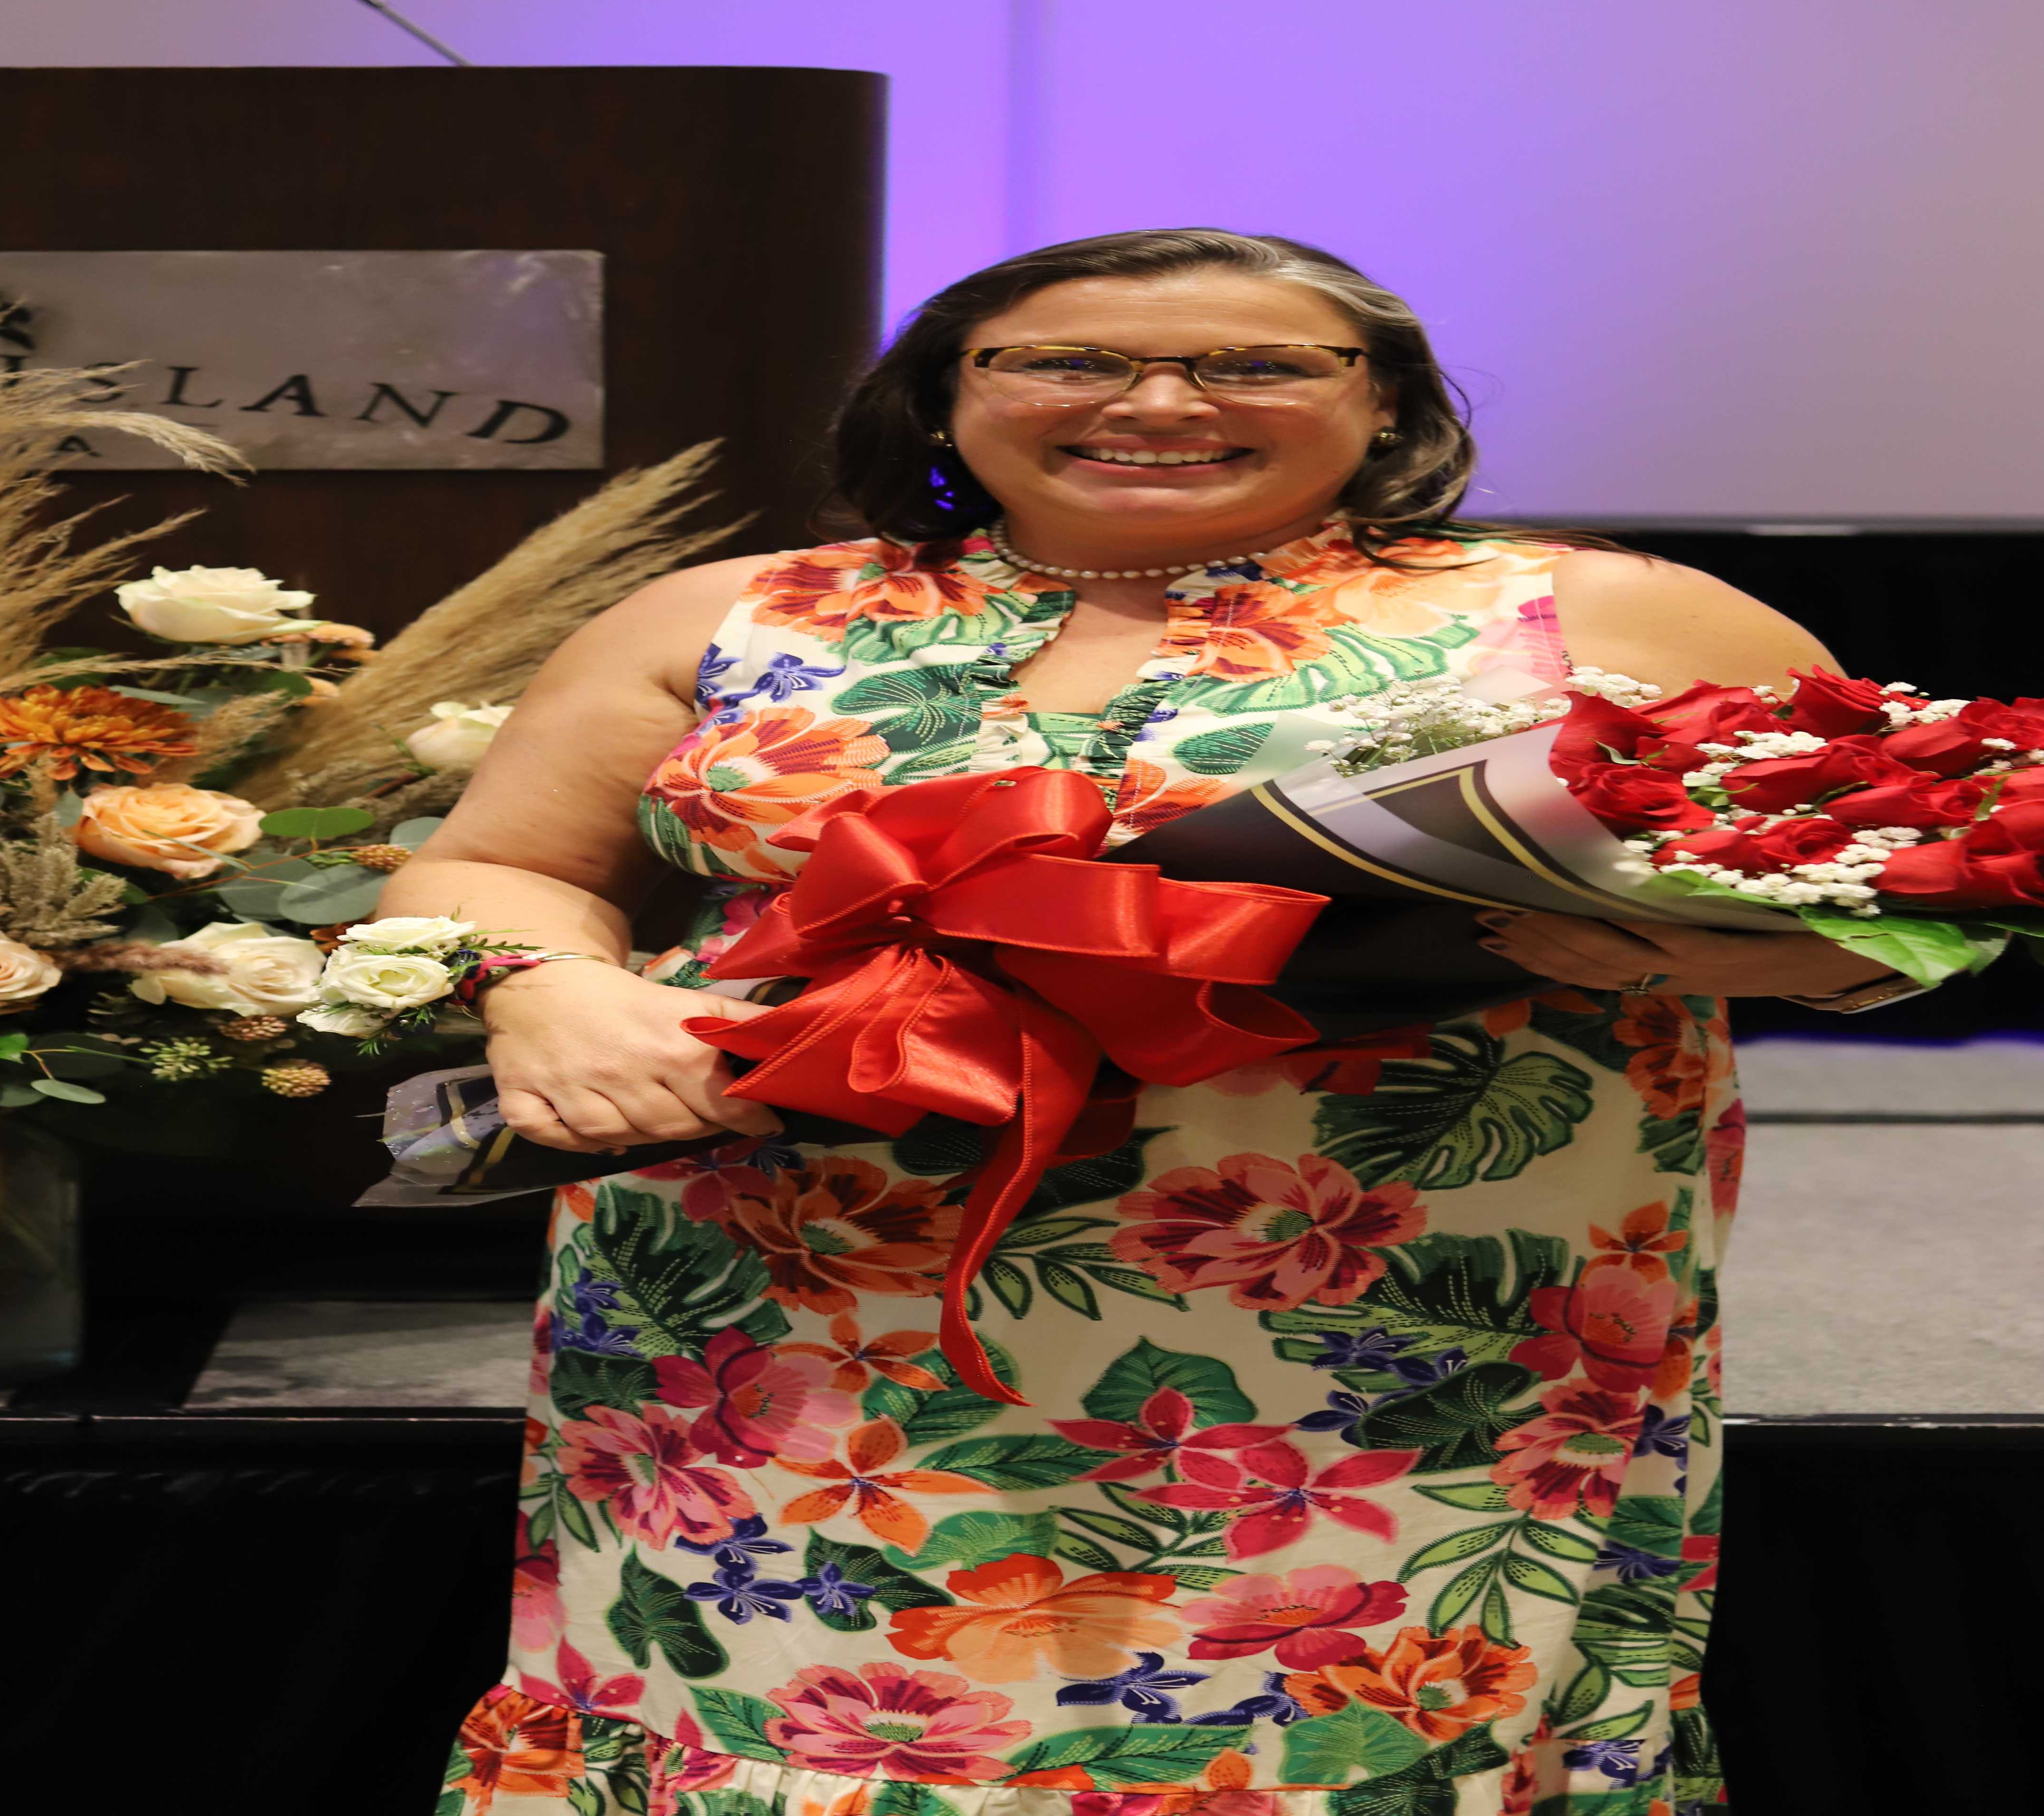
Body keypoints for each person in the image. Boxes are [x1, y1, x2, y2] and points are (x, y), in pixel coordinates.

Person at [391, 229, 1898, 1815]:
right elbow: (491, 867)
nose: (1162, 401)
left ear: (1386, 404)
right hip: (779, 1313)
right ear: (941, 398)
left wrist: (1675, 951)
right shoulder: (730, 614)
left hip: (1399, 1339)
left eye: (1254, 363)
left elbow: (1893, 930)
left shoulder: (1615, 612)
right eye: (1069, 360)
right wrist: (546, 987)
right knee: (796, 1707)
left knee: (1364, 1721)